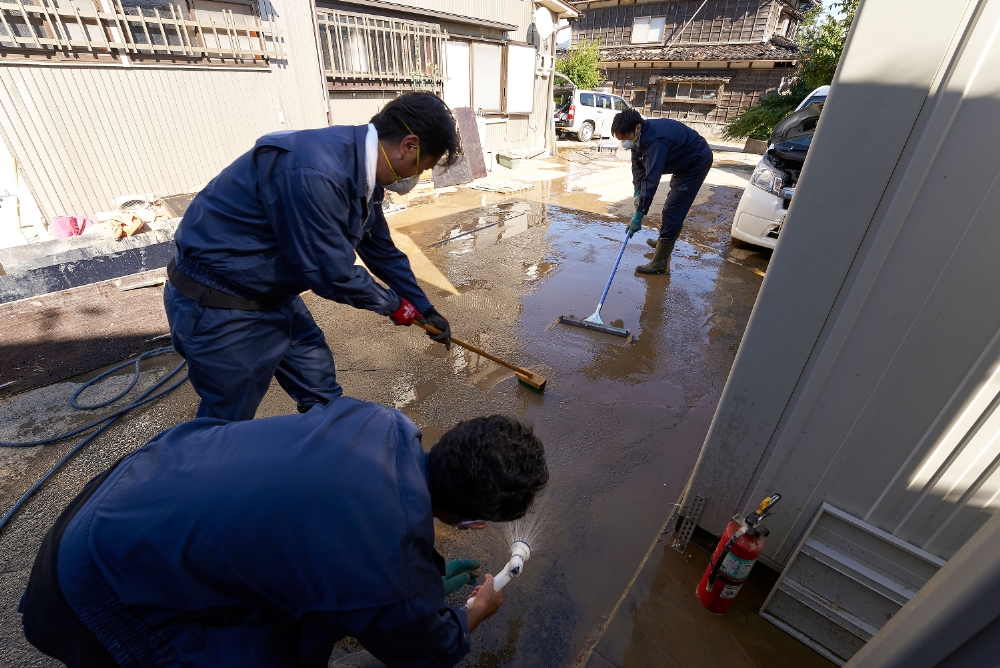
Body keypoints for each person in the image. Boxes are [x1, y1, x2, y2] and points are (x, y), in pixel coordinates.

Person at [20, 397, 549, 668]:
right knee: (290, 649)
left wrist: (421, 579)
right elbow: (424, 652)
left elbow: (341, 520)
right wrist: (473, 611)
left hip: (106, 504)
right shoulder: (389, 570)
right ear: (475, 523)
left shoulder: (380, 422)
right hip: (98, 595)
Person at [164, 92, 460, 422]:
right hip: (218, 303)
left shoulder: (362, 174)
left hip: (274, 293)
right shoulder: (316, 172)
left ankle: (325, 448)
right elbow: (331, 273)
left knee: (321, 392)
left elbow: (381, 250)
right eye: (424, 166)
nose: (416, 178)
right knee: (226, 423)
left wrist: (424, 307)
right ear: (408, 145)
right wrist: (396, 306)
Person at [612, 109, 714, 274]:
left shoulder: (655, 141)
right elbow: (638, 167)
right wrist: (638, 191)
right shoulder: (638, 138)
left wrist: (639, 215)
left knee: (673, 208)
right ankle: (665, 240)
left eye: (625, 138)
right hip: (681, 160)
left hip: (696, 162)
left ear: (637, 128)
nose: (624, 143)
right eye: (620, 139)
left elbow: (652, 178)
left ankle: (659, 262)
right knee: (673, 206)